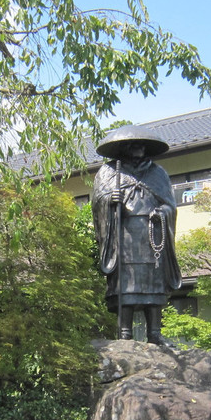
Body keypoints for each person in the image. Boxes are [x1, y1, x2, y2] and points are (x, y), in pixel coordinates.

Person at [91, 126, 181, 344]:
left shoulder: (158, 173)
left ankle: (155, 333)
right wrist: (110, 201)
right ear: (123, 148)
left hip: (153, 236)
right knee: (126, 283)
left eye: (142, 144)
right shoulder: (108, 172)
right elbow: (97, 203)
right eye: (133, 144)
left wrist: (162, 213)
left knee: (154, 281)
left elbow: (171, 206)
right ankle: (125, 333)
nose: (138, 148)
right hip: (124, 236)